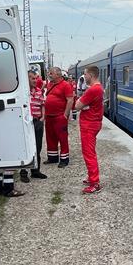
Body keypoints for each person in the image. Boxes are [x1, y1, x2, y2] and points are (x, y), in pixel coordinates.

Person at [73, 65, 104, 194]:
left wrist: (80, 100)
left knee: (89, 154)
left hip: (89, 125)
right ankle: (91, 177)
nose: (84, 77)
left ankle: (95, 183)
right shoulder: (99, 88)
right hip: (93, 123)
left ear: (90, 75)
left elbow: (77, 106)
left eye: (85, 74)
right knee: (90, 152)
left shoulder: (92, 90)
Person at [20, 70, 48, 183]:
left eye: (36, 78)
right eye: (32, 78)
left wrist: (42, 118)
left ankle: (35, 171)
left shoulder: (38, 91)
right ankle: (23, 173)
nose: (35, 80)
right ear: (26, 79)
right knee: (25, 147)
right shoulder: (23, 92)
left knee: (37, 147)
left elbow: (42, 105)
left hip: (37, 122)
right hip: (26, 123)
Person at [44, 66, 75, 167]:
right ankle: (52, 158)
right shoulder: (50, 84)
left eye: (51, 73)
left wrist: (65, 115)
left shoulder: (66, 85)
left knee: (62, 138)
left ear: (58, 74)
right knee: (50, 137)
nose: (49, 75)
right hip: (49, 116)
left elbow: (70, 100)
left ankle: (64, 159)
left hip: (59, 117)